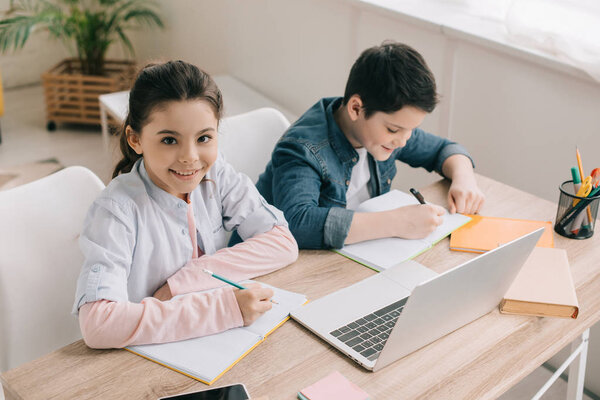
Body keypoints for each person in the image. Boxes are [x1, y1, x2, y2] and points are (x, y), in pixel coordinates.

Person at [72, 61, 298, 348]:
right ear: (135, 139)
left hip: (210, 343)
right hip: (144, 357)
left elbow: (282, 242)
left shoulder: (216, 174)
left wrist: (185, 281)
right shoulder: (116, 211)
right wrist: (224, 309)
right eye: (169, 140)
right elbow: (98, 324)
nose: (190, 157)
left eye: (204, 137)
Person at [255, 41, 484, 249]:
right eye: (394, 130)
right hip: (268, 269)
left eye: (411, 130)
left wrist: (464, 178)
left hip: (349, 256)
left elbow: (444, 149)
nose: (403, 140)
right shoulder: (303, 149)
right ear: (356, 108)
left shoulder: (387, 132)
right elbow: (297, 223)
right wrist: (397, 222)